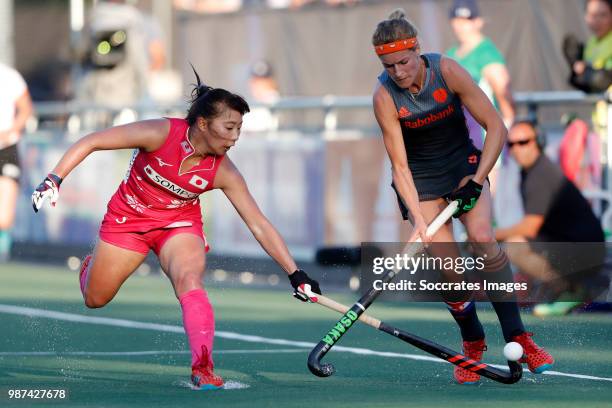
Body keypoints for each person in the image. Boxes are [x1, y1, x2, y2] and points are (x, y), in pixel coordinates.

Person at [31, 68, 321, 390]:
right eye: (229, 127)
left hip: (178, 225)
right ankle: (91, 268)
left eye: (239, 128)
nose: (235, 137)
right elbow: (93, 141)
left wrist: (295, 274)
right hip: (128, 222)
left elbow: (258, 223)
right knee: (95, 299)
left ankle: (203, 367)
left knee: (189, 280)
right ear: (202, 123)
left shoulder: (224, 172)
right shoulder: (160, 133)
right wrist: (54, 178)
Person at [371, 9, 553, 384]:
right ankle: (472, 343)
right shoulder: (384, 96)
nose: (399, 72)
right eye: (389, 66)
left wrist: (479, 178)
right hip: (420, 180)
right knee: (450, 272)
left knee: (484, 238)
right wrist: (419, 222)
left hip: (464, 168)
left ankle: (520, 336)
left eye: (403, 62)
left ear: (417, 50)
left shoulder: (447, 70)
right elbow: (399, 167)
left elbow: (496, 127)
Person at [495, 120, 606, 316]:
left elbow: (530, 227)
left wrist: (492, 234)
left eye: (523, 142)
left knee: (514, 246)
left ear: (538, 142)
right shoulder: (531, 171)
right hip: (573, 244)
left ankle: (571, 291)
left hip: (583, 249)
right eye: (511, 144)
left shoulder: (540, 174)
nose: (516, 149)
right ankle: (563, 289)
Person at [446, 0, 515, 145]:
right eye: (457, 20)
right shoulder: (451, 54)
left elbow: (505, 99)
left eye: (467, 20)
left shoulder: (487, 54)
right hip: (459, 141)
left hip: (484, 140)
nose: (461, 26)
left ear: (478, 22)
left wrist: (499, 141)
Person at [0, 63, 33, 262]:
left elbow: (26, 108)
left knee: (4, 217)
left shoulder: (10, 76)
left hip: (6, 148)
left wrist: (11, 131)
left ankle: (3, 253)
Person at [564, 0, 612, 93]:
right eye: (592, 15)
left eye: (602, 15)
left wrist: (587, 72)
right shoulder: (590, 44)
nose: (597, 21)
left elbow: (605, 80)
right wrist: (575, 64)